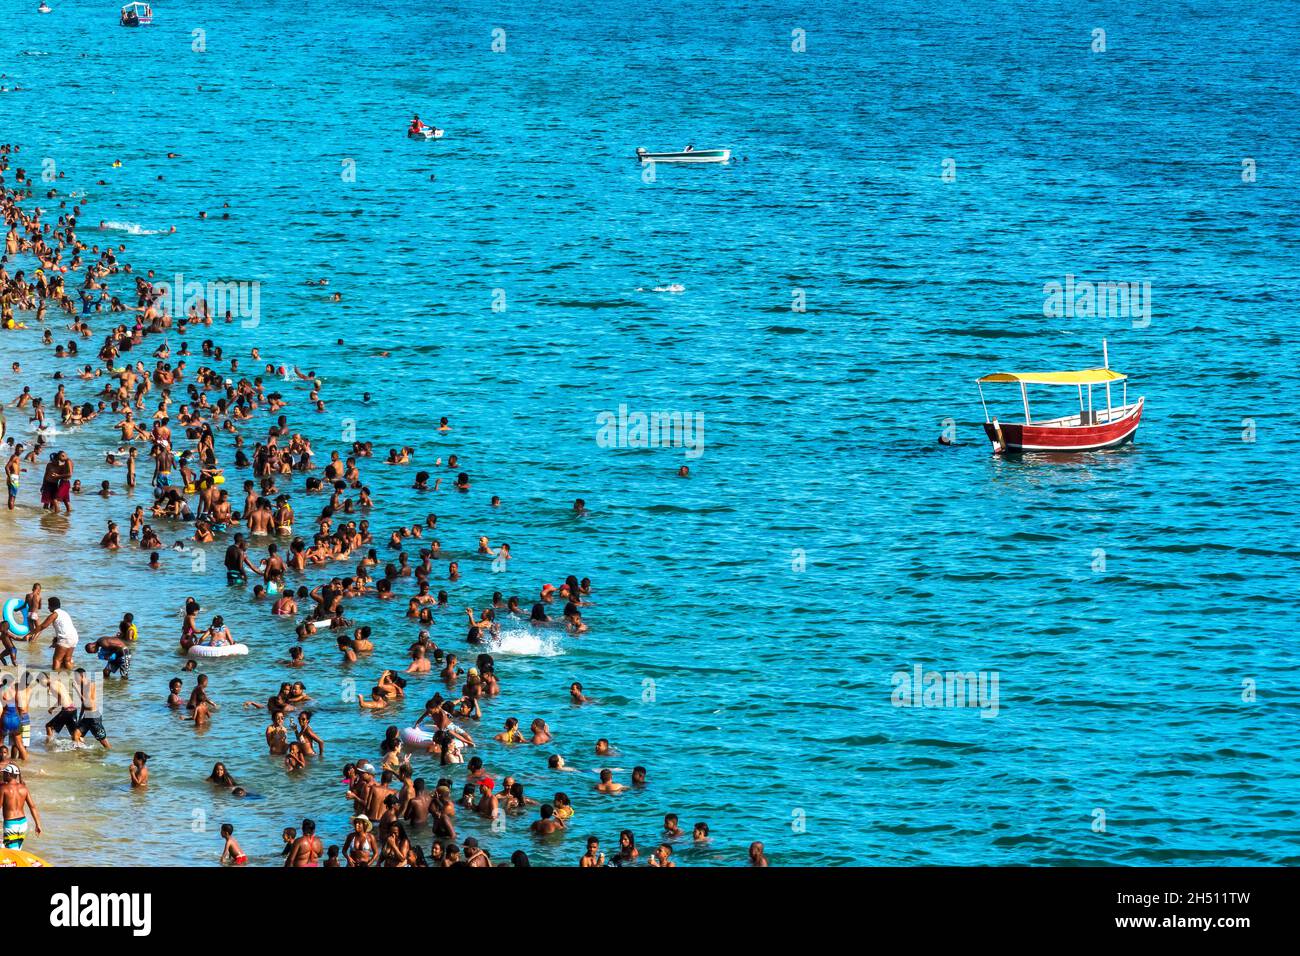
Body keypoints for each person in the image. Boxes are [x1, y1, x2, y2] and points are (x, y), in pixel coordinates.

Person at [1, 763, 42, 849]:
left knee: (11, 852)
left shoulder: (3, 789)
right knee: (17, 849)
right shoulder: (24, 788)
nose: (2, 775)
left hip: (11, 824)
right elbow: (32, 807)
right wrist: (38, 824)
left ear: (8, 774)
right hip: (23, 823)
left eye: (4, 773)